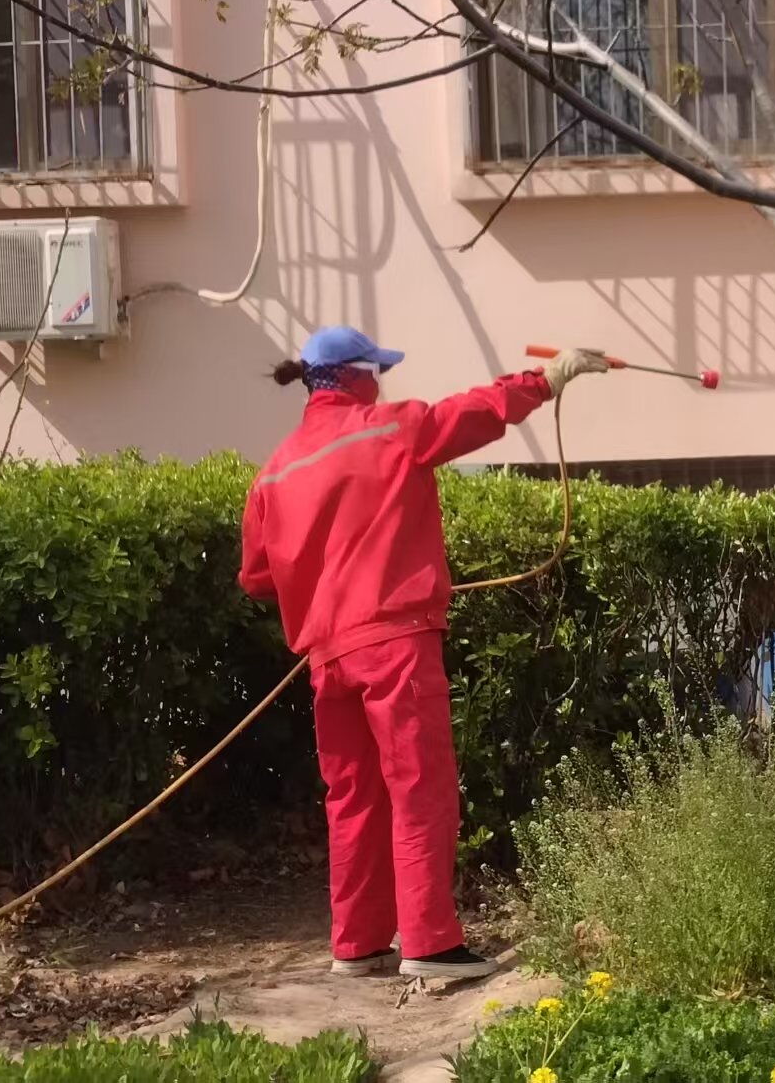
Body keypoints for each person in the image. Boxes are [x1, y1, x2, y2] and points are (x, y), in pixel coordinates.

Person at [238, 326, 607, 980]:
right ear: (357, 377)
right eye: (376, 372)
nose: (381, 382)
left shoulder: (275, 471)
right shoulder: (388, 429)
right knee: (418, 788)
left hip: (328, 658)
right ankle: (430, 945)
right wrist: (546, 381)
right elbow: (469, 414)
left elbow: (257, 577)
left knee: (352, 800)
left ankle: (358, 946)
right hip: (394, 644)